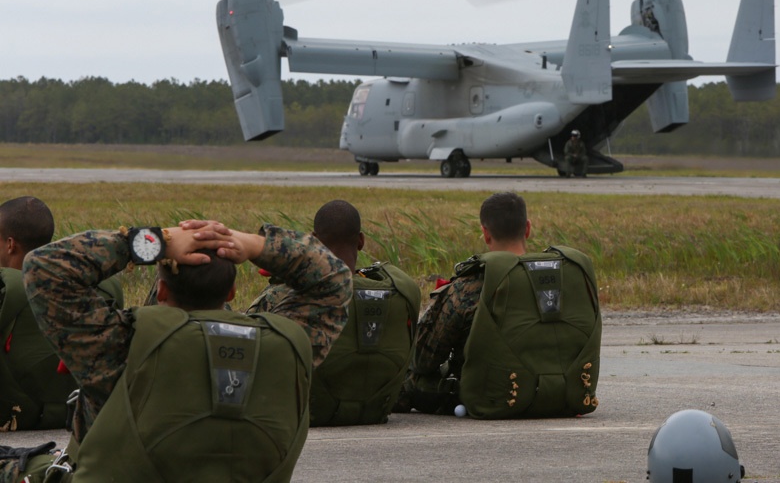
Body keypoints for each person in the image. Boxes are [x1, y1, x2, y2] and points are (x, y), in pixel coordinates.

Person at [2, 218, 351, 482]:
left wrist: (157, 241)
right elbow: (333, 278)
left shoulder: (121, 346)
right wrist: (247, 243)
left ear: (163, 293)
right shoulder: (286, 347)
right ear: (230, 295)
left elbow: (45, 265)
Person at [397, 192, 601, 418]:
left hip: (494, 397)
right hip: (567, 395)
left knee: (409, 380)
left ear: (485, 233)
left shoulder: (471, 285)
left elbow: (423, 360)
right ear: (527, 228)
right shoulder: (569, 279)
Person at [249, 200, 420, 426]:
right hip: (376, 412)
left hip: (308, 413)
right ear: (360, 241)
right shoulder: (400, 294)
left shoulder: (283, 295)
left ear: (315, 241)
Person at [0, 196, 79, 433]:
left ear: (10, 244)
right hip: (73, 411)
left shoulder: (7, 287)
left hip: (14, 414)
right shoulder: (85, 284)